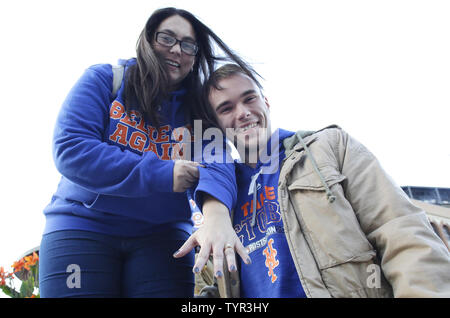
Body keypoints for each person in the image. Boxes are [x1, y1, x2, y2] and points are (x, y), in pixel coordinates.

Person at [174, 63, 450, 297]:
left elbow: (401, 232)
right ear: (216, 125)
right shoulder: (220, 197)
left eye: (249, 99)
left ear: (266, 102)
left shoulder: (329, 148)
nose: (242, 112)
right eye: (226, 108)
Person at [39, 8, 256, 298]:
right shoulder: (105, 80)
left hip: (163, 239)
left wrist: (216, 214)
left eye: (188, 45)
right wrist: (163, 173)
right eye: (167, 38)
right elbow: (71, 148)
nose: (177, 49)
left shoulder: (197, 111)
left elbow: (216, 161)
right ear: (147, 40)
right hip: (81, 228)